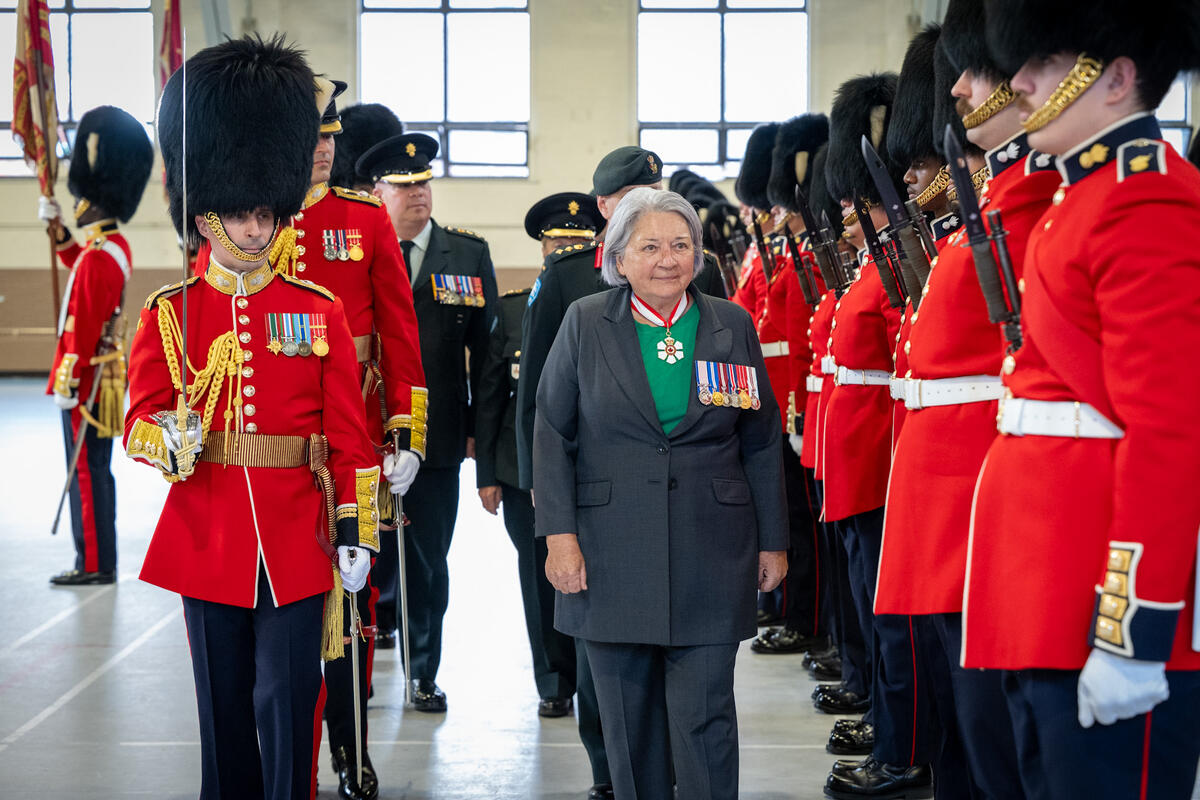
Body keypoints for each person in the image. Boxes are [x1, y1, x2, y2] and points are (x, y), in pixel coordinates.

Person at [125, 35, 380, 799]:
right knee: (223, 712)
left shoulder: (317, 309)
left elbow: (349, 436)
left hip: (298, 537)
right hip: (207, 535)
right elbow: (138, 419)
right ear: (207, 217)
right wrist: (168, 440)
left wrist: (356, 529)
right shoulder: (172, 313)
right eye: (240, 215)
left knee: (290, 704)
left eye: (265, 214)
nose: (256, 229)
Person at [962, 1, 1200, 796]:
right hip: (1045, 593)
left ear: (1117, 77)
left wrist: (1135, 632)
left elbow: (1168, 432)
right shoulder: (1077, 198)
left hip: (1098, 599)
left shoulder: (1146, 198)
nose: (1022, 82)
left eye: (1046, 63)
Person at [533, 187, 788, 800]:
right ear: (618, 259)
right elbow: (551, 433)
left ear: (698, 254)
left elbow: (760, 440)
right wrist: (560, 538)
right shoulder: (586, 322)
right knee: (629, 728)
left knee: (707, 721)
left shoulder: (731, 323)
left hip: (712, 551)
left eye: (680, 245)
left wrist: (774, 541)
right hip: (609, 554)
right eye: (649, 247)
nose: (667, 259)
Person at [873, 3, 1058, 797]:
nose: (961, 90)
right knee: (966, 719)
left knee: (991, 731)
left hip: (978, 484)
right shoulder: (992, 203)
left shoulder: (1036, 200)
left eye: (978, 73)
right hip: (946, 482)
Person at [293, 79, 426, 800]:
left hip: (362, 438)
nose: (323, 149)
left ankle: (352, 748)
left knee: (355, 601)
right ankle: (292, 754)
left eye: (330, 137)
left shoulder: (364, 217)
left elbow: (399, 331)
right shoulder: (252, 221)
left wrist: (407, 432)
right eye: (310, 136)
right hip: (283, 442)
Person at [357, 131, 499, 712]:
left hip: (435, 438)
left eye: (424, 184)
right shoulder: (354, 250)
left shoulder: (465, 254)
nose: (418, 194)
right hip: (363, 432)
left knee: (428, 561)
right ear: (378, 192)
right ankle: (359, 666)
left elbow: (487, 359)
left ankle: (423, 671)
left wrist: (479, 435)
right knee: (360, 554)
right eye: (404, 185)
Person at [475, 192, 601, 724]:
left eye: (577, 241)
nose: (565, 249)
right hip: (521, 470)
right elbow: (491, 397)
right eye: (557, 242)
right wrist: (487, 473)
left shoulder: (606, 306)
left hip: (591, 468)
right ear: (542, 248)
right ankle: (554, 680)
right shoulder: (512, 308)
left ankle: (592, 677)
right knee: (538, 576)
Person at [42, 105, 153, 586]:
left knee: (86, 473)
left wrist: (67, 379)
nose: (78, 206)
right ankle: (98, 558)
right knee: (95, 469)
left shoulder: (97, 259)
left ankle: (93, 563)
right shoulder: (110, 249)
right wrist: (60, 234)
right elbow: (83, 271)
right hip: (101, 375)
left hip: (85, 381)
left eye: (81, 201)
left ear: (96, 203)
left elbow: (82, 327)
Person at [751, 113, 830, 657]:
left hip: (796, 404)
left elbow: (804, 345)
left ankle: (808, 617)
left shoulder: (810, 260)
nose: (776, 213)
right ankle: (794, 609)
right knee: (790, 519)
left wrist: (797, 411)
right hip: (779, 400)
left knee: (805, 525)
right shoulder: (788, 257)